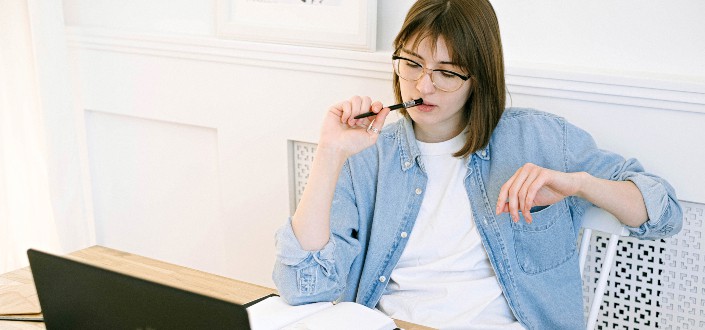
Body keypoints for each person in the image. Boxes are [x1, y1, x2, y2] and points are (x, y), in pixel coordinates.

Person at [272, 0, 683, 328]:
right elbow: (302, 287)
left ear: (479, 78)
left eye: (446, 73)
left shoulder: (539, 138)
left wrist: (579, 185)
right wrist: (329, 153)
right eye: (412, 64)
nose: (423, 85)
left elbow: (664, 211)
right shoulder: (369, 155)